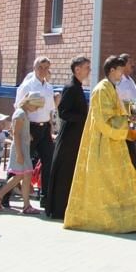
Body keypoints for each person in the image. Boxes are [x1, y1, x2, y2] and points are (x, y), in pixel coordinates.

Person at [64, 55, 136, 233]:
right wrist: (127, 121)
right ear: (112, 70)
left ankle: (133, 217)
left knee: (123, 180)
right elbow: (103, 120)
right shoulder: (101, 89)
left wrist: (133, 120)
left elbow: (117, 115)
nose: (123, 73)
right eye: (120, 70)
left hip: (114, 143)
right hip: (102, 143)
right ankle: (109, 220)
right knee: (107, 184)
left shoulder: (111, 88)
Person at [44, 57, 91, 219]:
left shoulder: (78, 87)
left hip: (76, 135)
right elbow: (63, 111)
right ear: (77, 69)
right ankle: (59, 208)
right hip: (69, 136)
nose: (89, 71)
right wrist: (84, 117)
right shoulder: (71, 88)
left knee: (71, 171)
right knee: (65, 171)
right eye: (86, 67)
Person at [14, 56, 57, 206]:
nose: (43, 71)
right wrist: (26, 130)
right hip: (30, 126)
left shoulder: (49, 87)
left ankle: (45, 196)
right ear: (34, 68)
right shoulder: (27, 86)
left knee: (48, 160)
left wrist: (51, 129)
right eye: (40, 67)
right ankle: (5, 193)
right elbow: (18, 106)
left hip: (44, 128)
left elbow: (51, 110)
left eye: (46, 68)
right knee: (22, 161)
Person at [0, 96, 41, 214]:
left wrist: (28, 135)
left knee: (24, 176)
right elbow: (15, 134)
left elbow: (17, 131)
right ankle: (1, 195)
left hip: (23, 148)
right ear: (30, 103)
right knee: (20, 176)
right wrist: (19, 154)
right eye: (36, 106)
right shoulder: (20, 114)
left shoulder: (23, 113)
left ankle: (25, 204)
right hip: (20, 149)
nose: (36, 109)